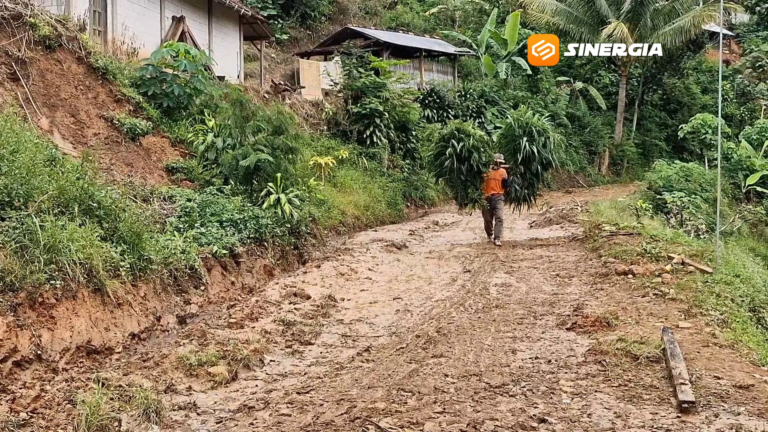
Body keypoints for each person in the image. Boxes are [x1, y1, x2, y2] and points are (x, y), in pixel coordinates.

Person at [482, 154, 509, 247]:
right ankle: (489, 234)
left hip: (498, 197)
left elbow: (505, 185)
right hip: (486, 198)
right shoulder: (485, 171)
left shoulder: (503, 172)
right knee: (487, 219)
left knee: (499, 218)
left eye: (500, 163)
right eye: (498, 162)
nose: (499, 164)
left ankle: (497, 238)